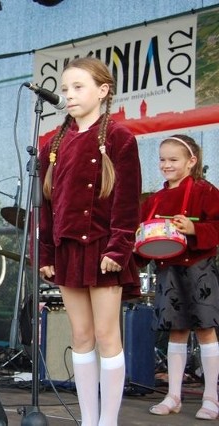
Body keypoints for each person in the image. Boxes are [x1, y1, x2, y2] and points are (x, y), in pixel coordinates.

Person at [38, 57, 142, 426]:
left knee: (106, 333)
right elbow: (46, 207)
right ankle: (87, 418)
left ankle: (108, 421)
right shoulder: (52, 143)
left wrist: (118, 248)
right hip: (67, 250)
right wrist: (47, 252)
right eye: (65, 88)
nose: (69, 95)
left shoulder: (119, 138)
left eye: (78, 87)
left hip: (103, 249)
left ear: (103, 90)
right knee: (81, 335)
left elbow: (128, 202)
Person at [136, 135, 219, 420]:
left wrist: (195, 230)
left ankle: (211, 397)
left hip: (199, 267)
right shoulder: (154, 200)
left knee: (206, 329)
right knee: (176, 330)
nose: (166, 165)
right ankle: (173, 396)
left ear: (191, 161)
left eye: (173, 160)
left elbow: (217, 225)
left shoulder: (204, 190)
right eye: (162, 159)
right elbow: (143, 239)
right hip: (168, 269)